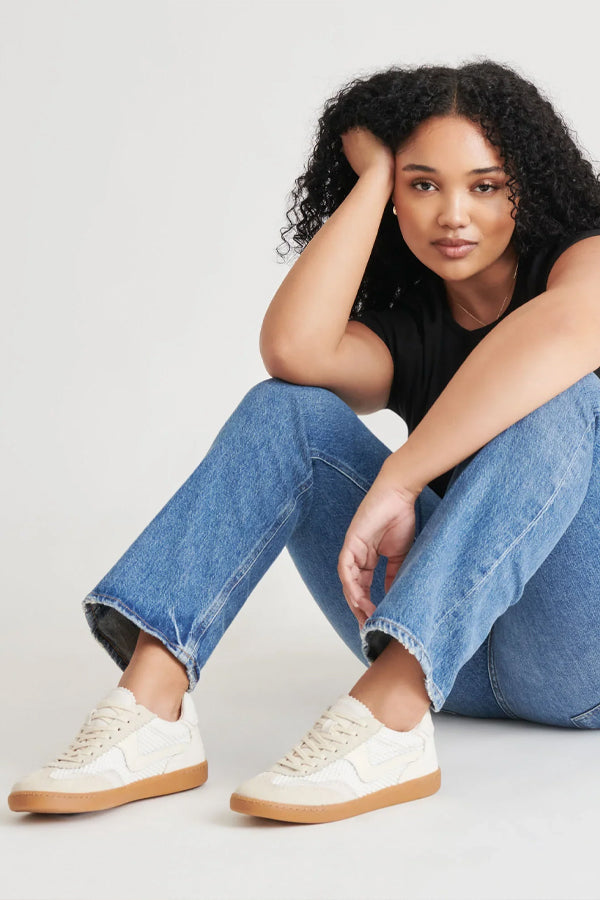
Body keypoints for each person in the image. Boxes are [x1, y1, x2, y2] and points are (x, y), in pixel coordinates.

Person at [8, 59, 600, 824]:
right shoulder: (413, 324)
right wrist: (372, 178)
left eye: (486, 186)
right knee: (285, 408)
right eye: (423, 185)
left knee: (566, 392)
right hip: (452, 658)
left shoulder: (583, 262)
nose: (454, 214)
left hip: (577, 658)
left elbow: (568, 331)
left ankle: (391, 716)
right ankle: (153, 705)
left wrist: (400, 478)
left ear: (530, 185)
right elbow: (295, 351)